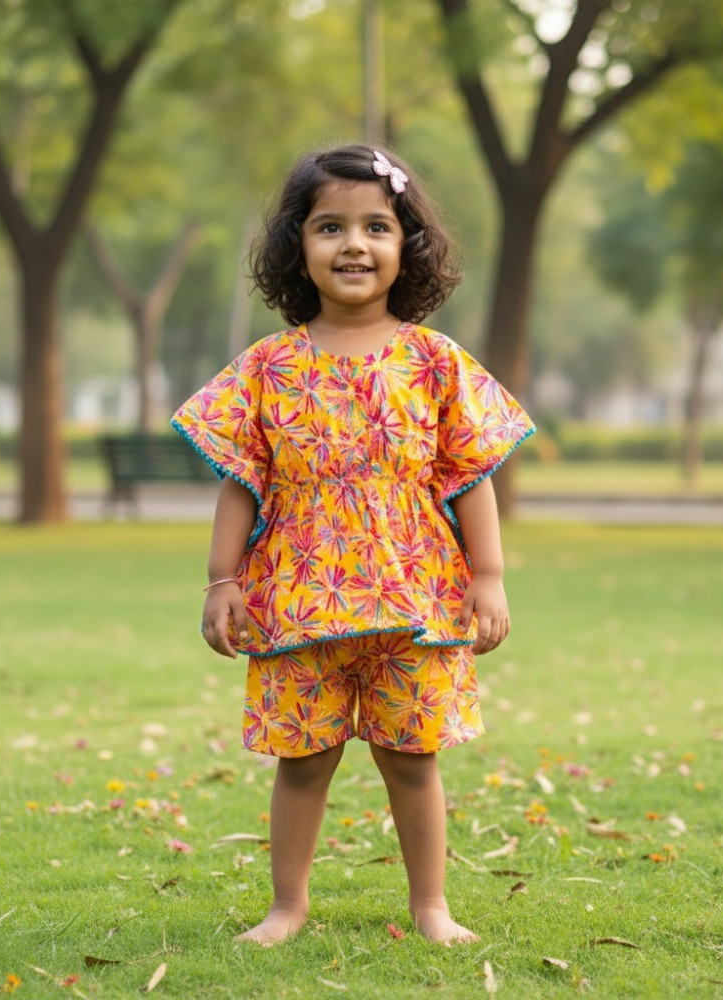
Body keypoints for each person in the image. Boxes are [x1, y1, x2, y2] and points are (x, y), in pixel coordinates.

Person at [172, 144, 534, 946]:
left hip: (414, 598)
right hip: (300, 597)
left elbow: (469, 475)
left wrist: (491, 577)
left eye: (377, 226)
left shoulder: (435, 363)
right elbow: (240, 477)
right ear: (297, 247)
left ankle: (431, 906)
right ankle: (287, 907)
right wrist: (219, 580)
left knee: (413, 759)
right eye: (329, 226)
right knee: (302, 760)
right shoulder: (268, 368)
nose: (354, 245)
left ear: (408, 246)